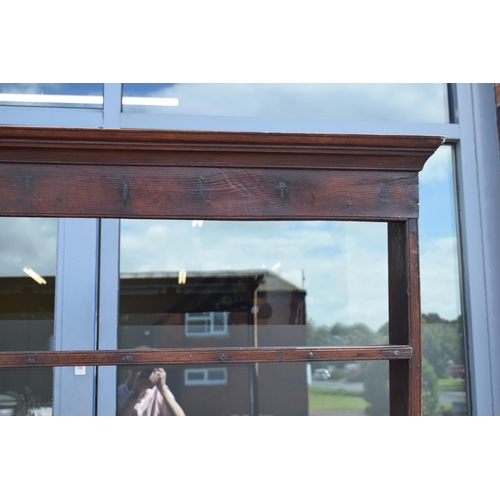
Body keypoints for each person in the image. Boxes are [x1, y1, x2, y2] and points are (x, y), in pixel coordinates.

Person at [117, 366, 185, 416]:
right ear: (127, 369)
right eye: (135, 368)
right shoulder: (118, 393)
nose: (139, 373)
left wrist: (162, 389)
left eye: (146, 370)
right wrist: (136, 392)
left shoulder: (158, 392)